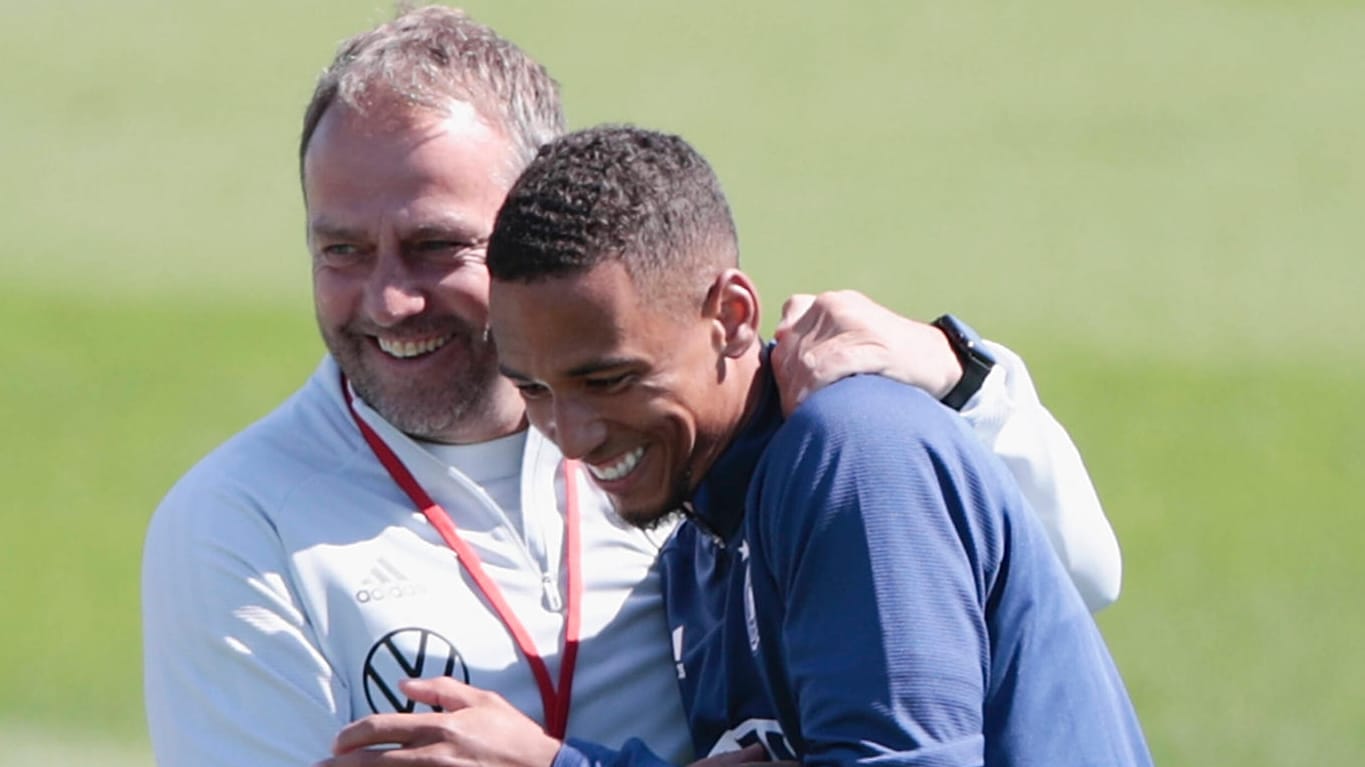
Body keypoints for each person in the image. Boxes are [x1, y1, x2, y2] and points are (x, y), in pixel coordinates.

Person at [141, 7, 1120, 767]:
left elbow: (1072, 577)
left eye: (436, 244)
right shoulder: (236, 525)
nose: (389, 297)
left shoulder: (714, 428)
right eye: (340, 248)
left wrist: (962, 382)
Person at [324, 124, 1151, 766]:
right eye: (534, 389)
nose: (571, 437)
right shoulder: (696, 546)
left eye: (608, 378)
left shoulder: (853, 454)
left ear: (731, 316)